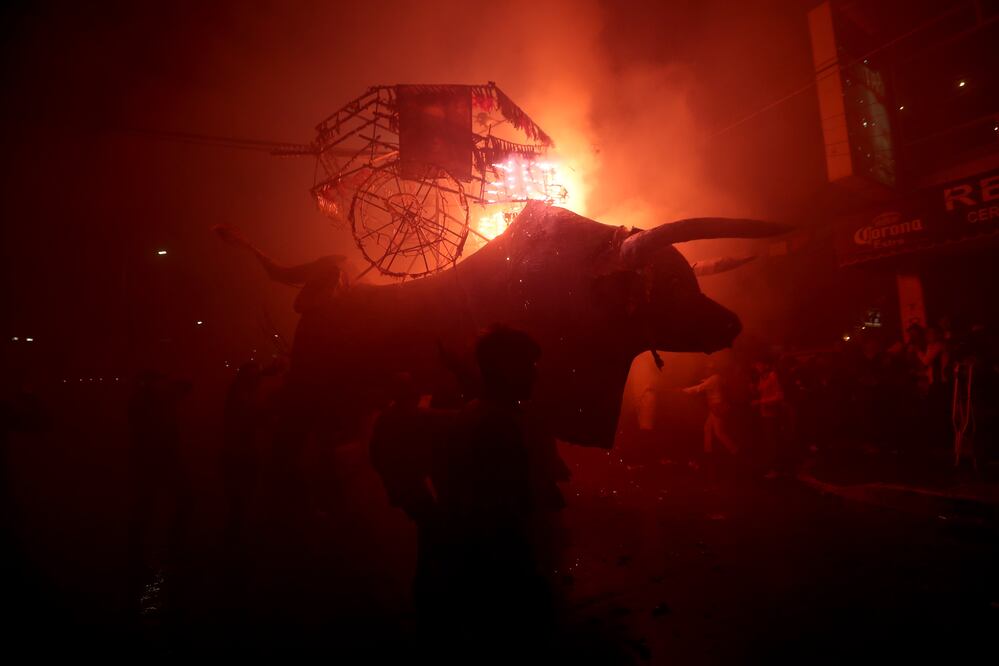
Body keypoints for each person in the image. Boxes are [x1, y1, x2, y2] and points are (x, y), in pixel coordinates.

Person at [430, 325, 565, 655]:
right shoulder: (496, 425)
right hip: (502, 569)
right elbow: (507, 506)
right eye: (529, 366)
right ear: (508, 369)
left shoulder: (478, 414)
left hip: (481, 564)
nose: (535, 376)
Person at [683, 361, 737, 457]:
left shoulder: (713, 379)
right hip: (714, 407)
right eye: (707, 369)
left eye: (708, 369)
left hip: (717, 407)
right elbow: (708, 383)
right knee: (707, 428)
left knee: (719, 432)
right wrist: (704, 381)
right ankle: (708, 451)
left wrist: (687, 390)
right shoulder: (716, 377)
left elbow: (700, 388)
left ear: (712, 370)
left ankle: (734, 450)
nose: (706, 371)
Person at [752, 357, 788, 479]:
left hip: (772, 414)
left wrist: (761, 402)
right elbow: (763, 391)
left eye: (759, 364)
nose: (757, 367)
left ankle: (778, 469)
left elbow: (779, 396)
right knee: (770, 442)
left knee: (774, 442)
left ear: (766, 365)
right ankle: (776, 467)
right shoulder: (762, 377)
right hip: (765, 414)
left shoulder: (773, 376)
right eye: (756, 364)